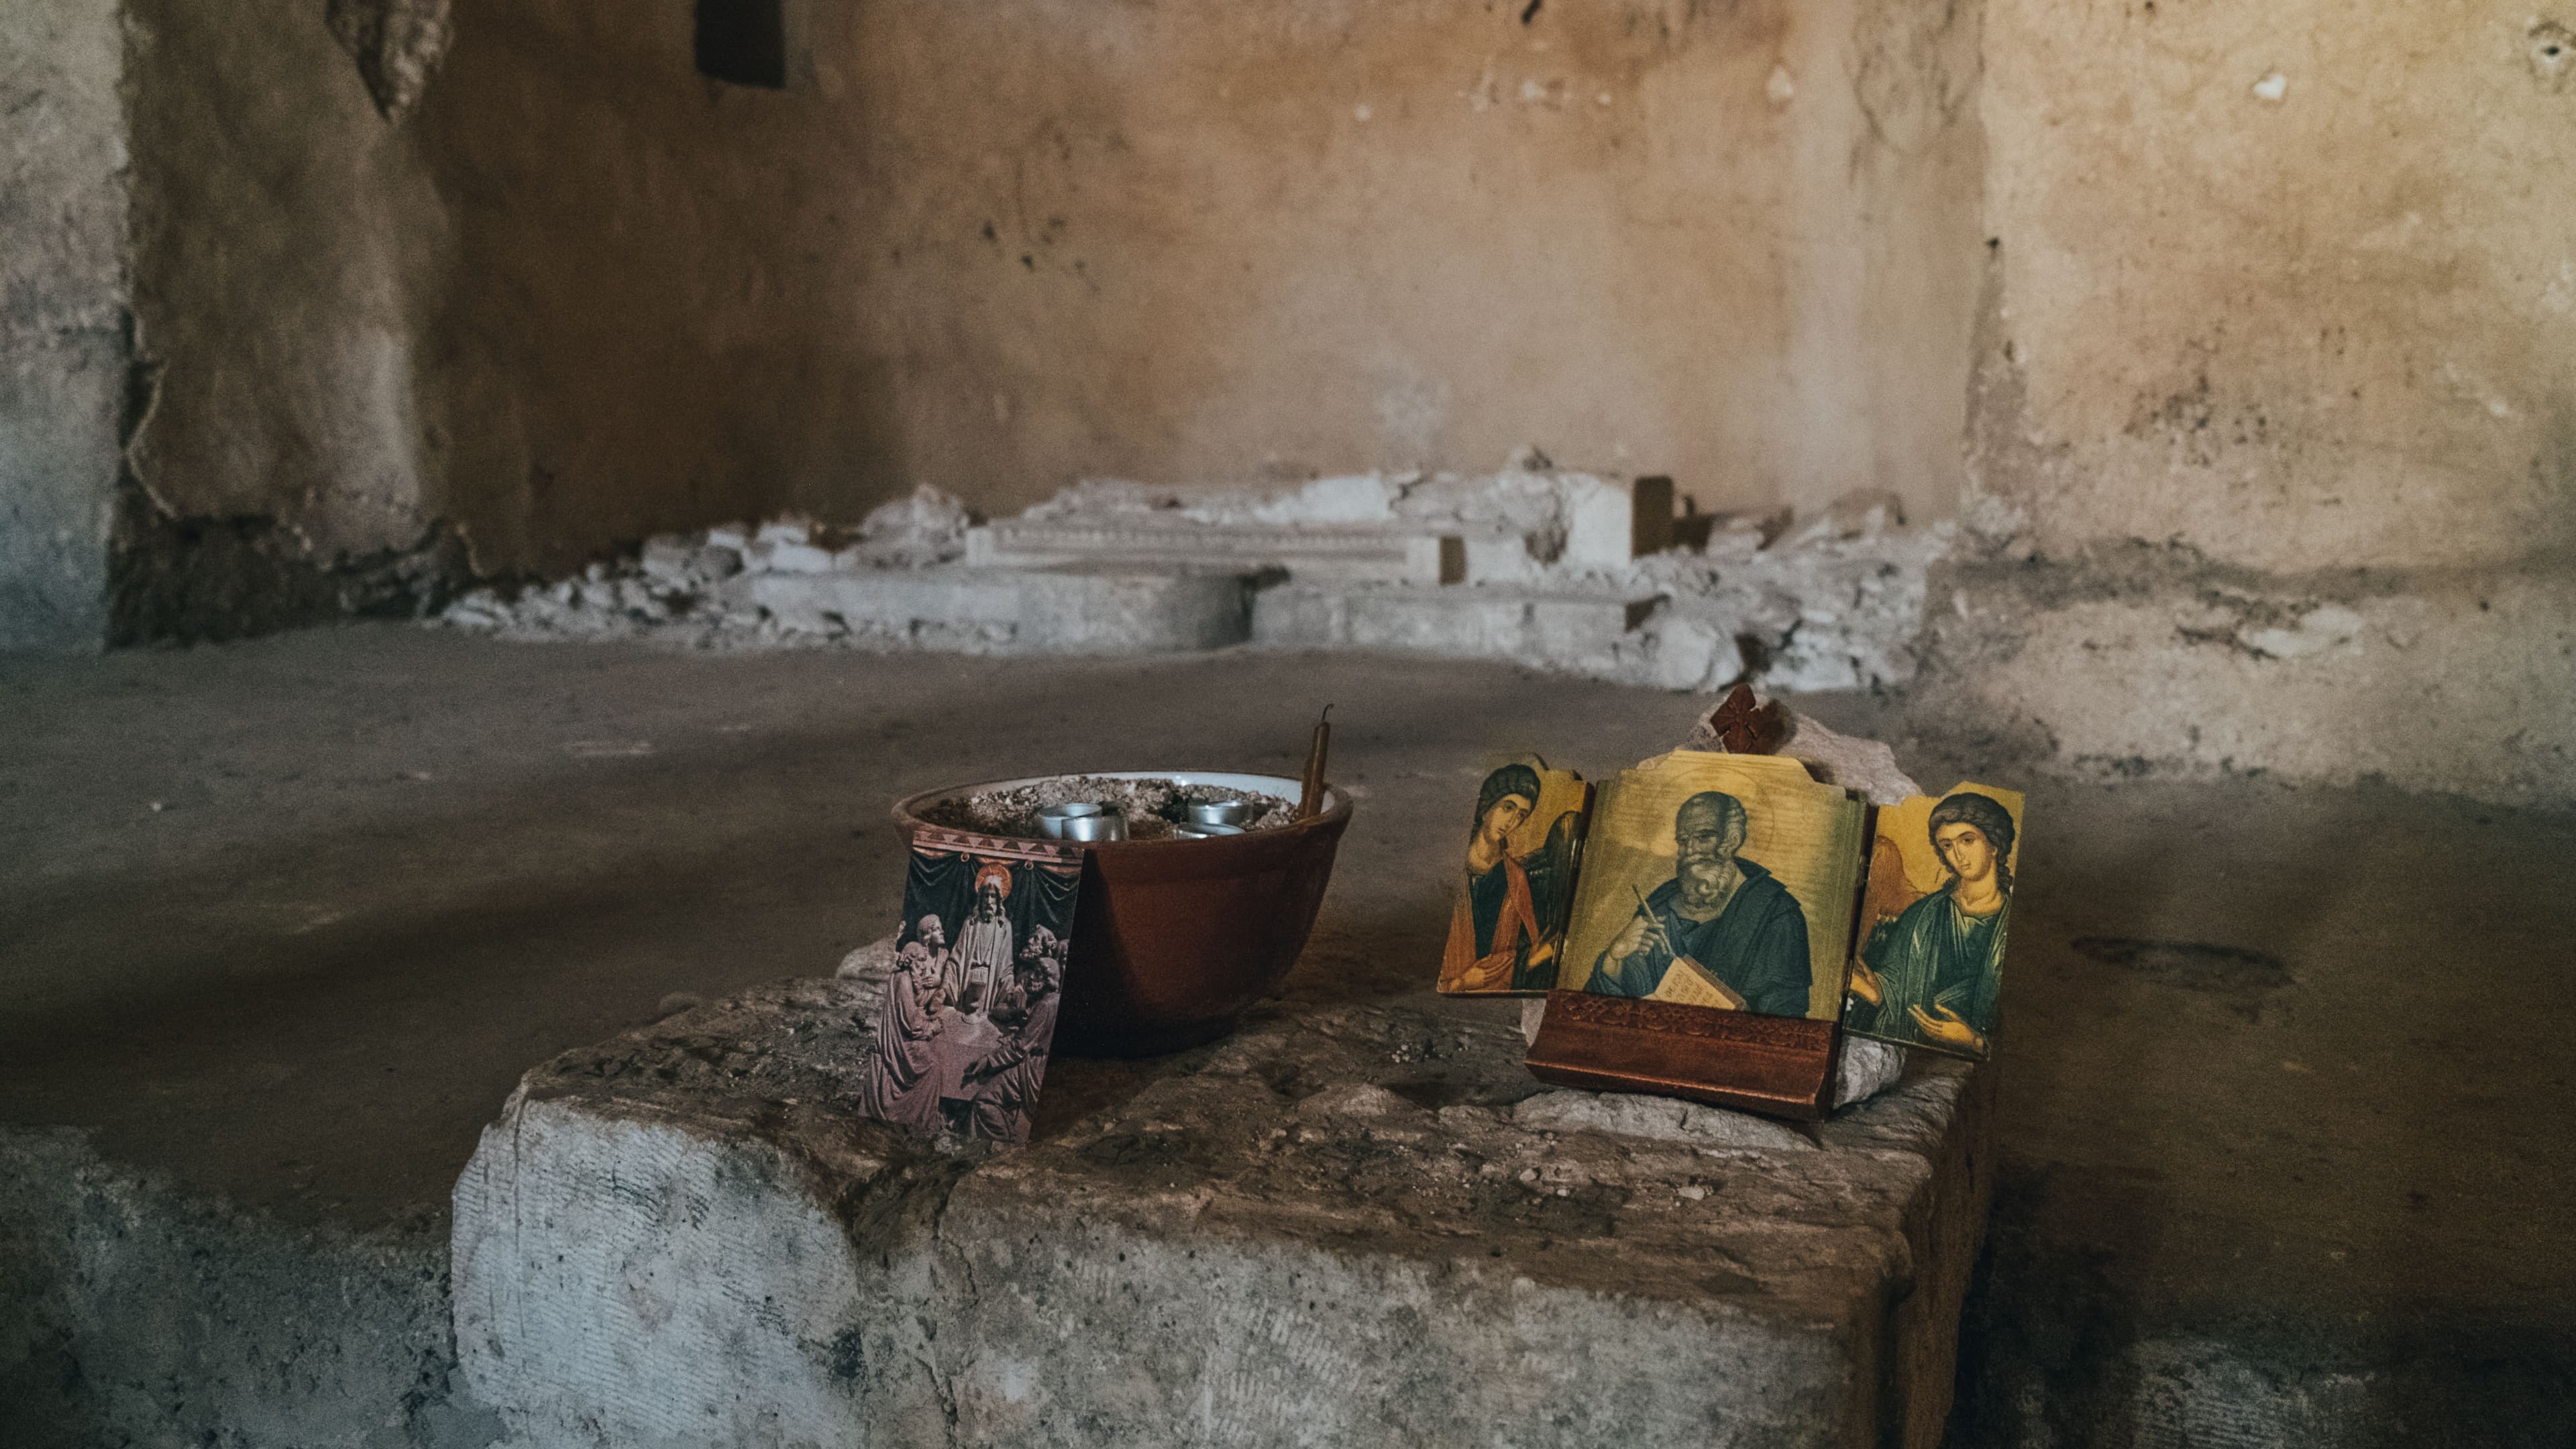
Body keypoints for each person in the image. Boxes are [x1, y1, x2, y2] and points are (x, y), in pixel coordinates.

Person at [1587, 790, 1812, 1016]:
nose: (1691, 850)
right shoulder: (1660, 904)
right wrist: (1614, 959)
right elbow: (1602, 1011)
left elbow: (1787, 1021)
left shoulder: (1774, 912)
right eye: (1684, 841)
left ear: (1732, 839)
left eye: (1704, 837)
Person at [1847, 792, 2014, 1055]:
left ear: (1994, 844)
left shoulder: (2012, 922)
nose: (1958, 854)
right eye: (1947, 845)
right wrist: (1875, 992)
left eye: (1967, 840)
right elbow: (1894, 986)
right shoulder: (1921, 915)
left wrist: (1974, 1042)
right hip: (1913, 1052)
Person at [1440, 764, 1583, 992]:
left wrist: (1532, 958)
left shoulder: (1516, 877)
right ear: (1487, 805)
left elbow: (1522, 949)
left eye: (1521, 815)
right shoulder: (1456, 865)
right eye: (1508, 807)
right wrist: (1461, 982)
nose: (1511, 821)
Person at [964, 936, 1063, 1142]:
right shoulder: (1052, 1000)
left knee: (985, 1101)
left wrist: (988, 1061)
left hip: (1031, 1069)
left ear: (1048, 980)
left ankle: (1002, 1143)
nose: (1031, 977)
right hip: (1037, 1062)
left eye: (1038, 974)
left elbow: (1020, 1048)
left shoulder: (1046, 1005)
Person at [857, 939, 947, 1134]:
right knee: (933, 1067)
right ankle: (916, 1119)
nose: (924, 966)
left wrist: (937, 992)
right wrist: (933, 1027)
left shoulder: (903, 976)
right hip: (900, 1042)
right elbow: (912, 1026)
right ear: (910, 960)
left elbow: (916, 1000)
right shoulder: (904, 981)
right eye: (921, 961)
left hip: (899, 1035)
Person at [951, 867, 1015, 1014]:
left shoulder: (1004, 927)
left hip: (990, 981)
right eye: (986, 896)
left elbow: (1007, 967)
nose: (989, 901)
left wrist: (1010, 991)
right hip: (968, 977)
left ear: (999, 900)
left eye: (993, 896)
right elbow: (956, 959)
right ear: (980, 898)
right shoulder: (971, 924)